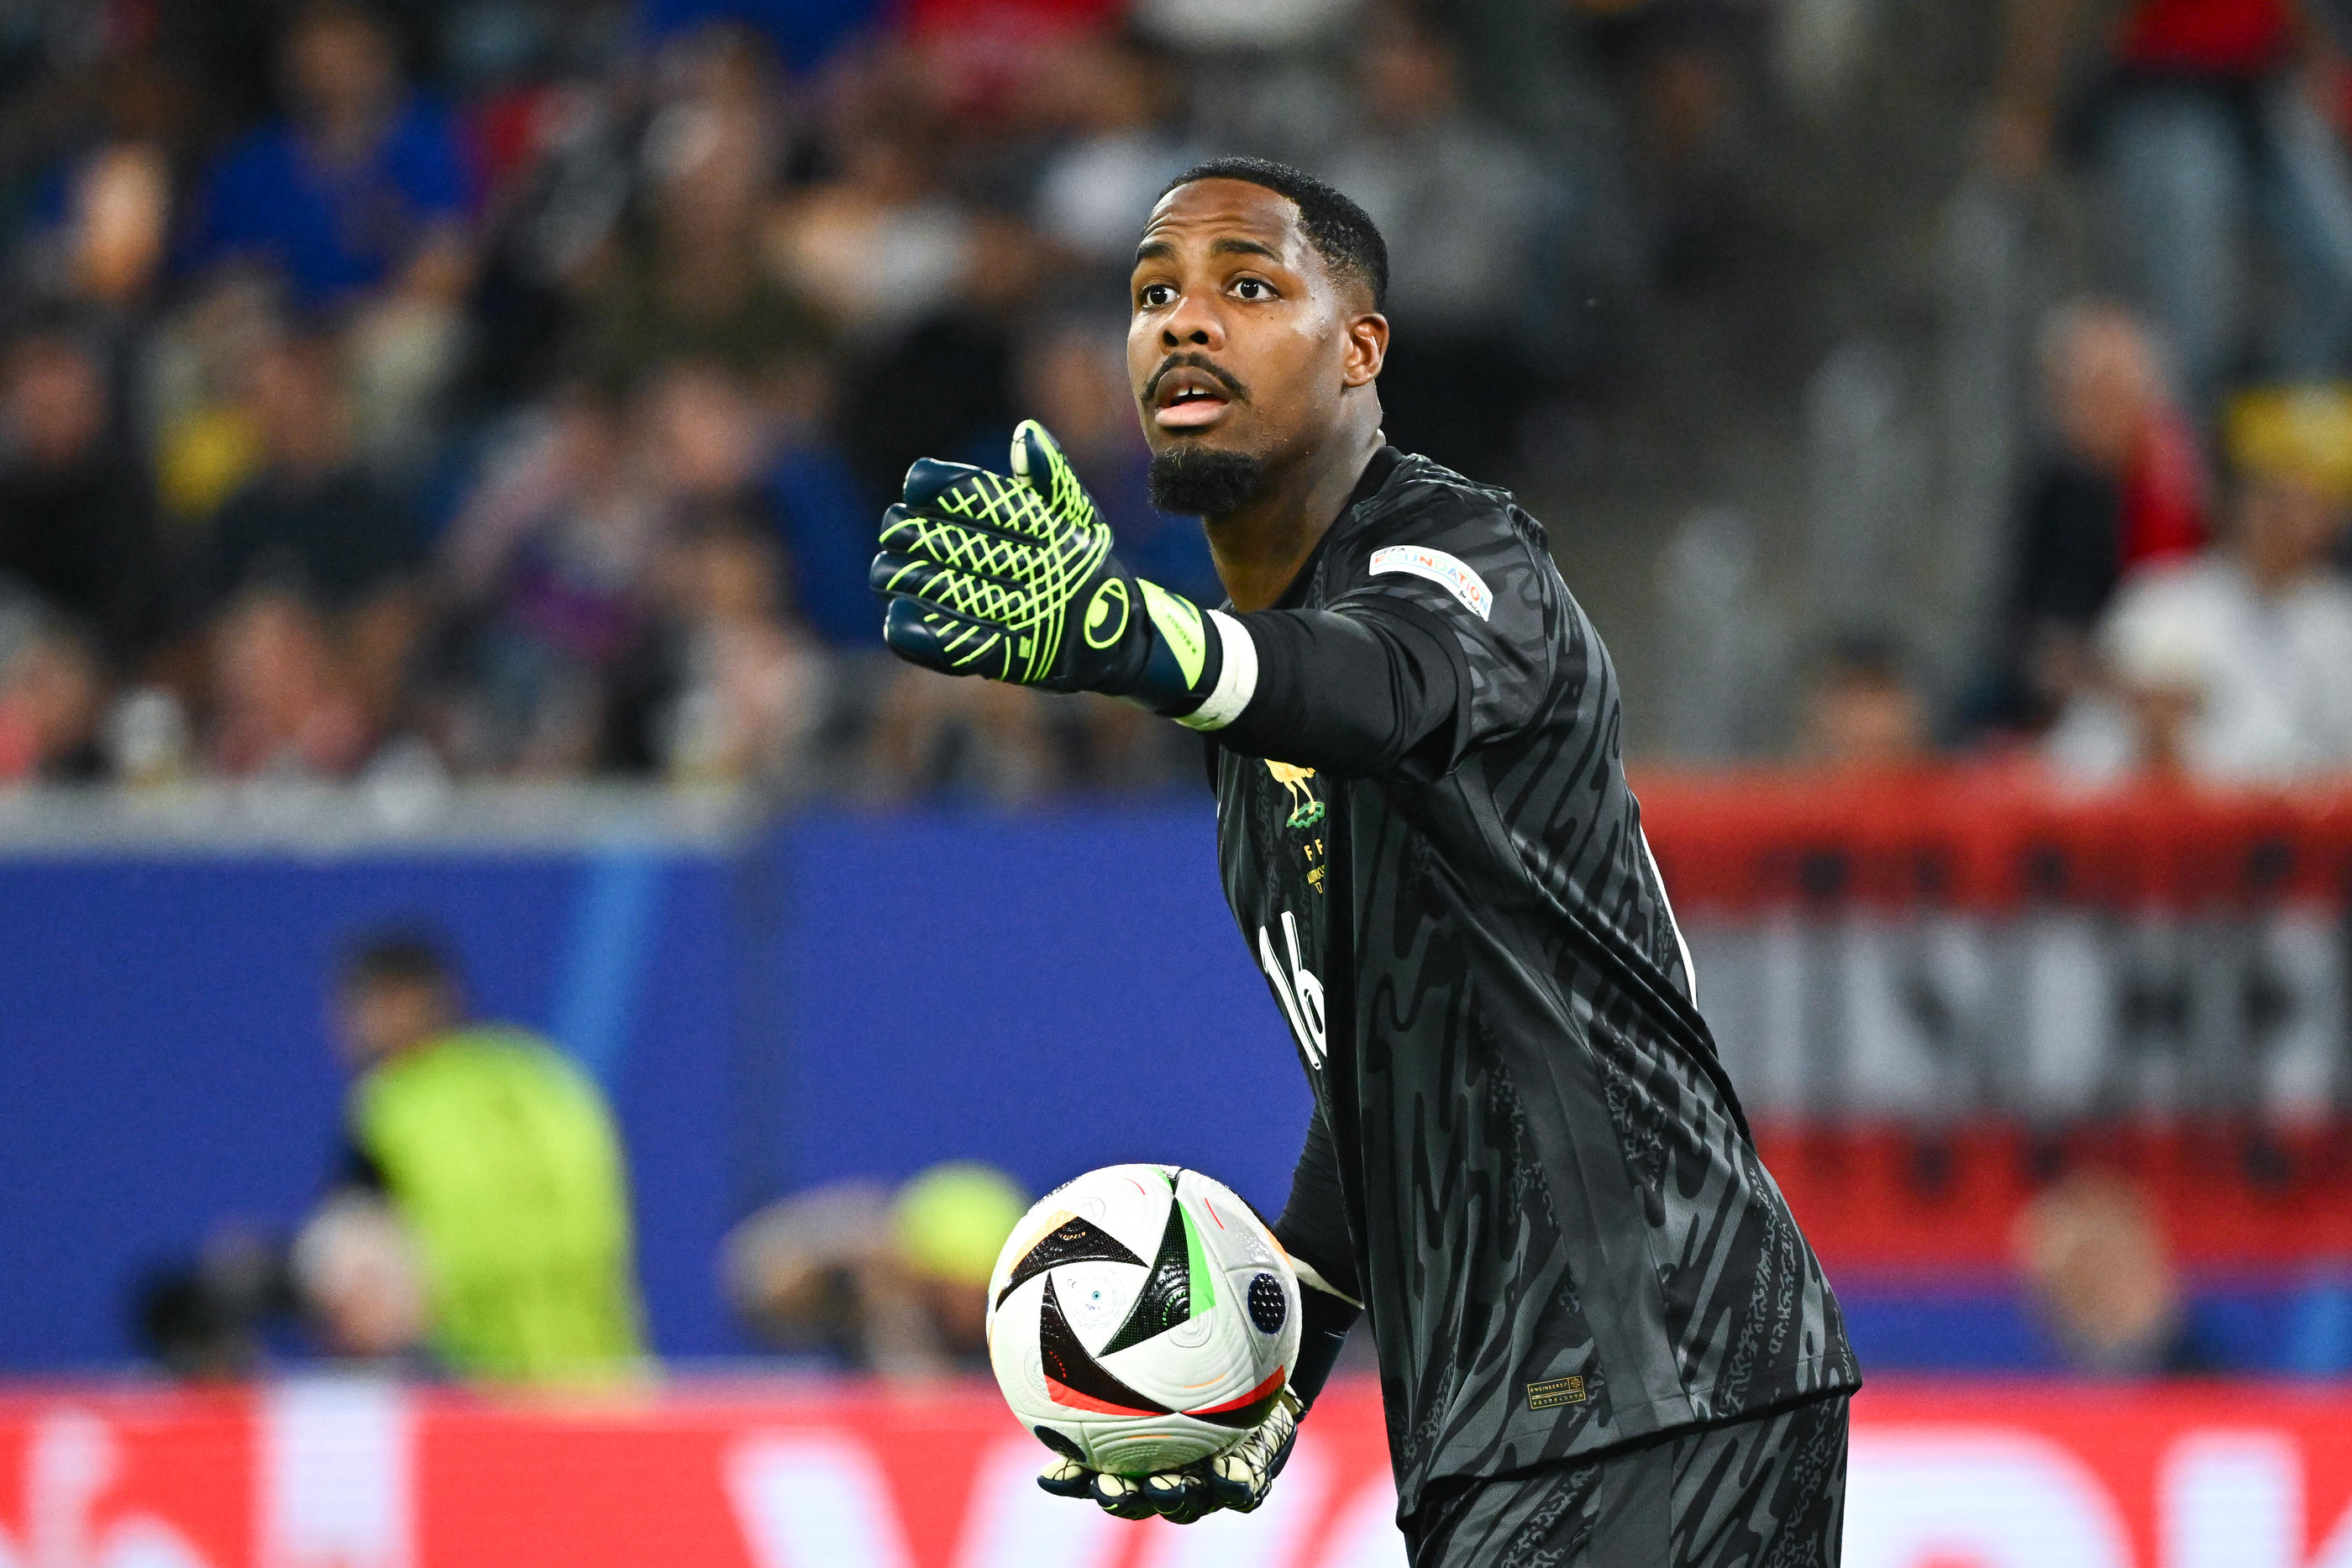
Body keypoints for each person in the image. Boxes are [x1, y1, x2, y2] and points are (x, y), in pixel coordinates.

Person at [869, 158, 1856, 1561]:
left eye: (1250, 287)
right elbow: (1383, 1065)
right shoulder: (1255, 733)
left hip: (1646, 1365)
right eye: (1155, 294)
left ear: (1361, 351)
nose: (1185, 321)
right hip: (1522, 1415)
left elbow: (1388, 682)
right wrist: (1287, 1350)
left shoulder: (1465, 556)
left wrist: (1138, 641)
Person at [307, 933, 645, 1383]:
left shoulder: (393, 1106)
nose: (343, 1030)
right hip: (613, 1388)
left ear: (401, 1000)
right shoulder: (547, 1077)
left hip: (478, 1397)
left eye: (354, 1009)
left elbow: (356, 1281)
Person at [722, 1162, 1026, 1376]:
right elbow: (759, 1276)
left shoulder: (1032, 1342)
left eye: (984, 1294)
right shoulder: (878, 1302)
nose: (969, 1310)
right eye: (955, 1291)